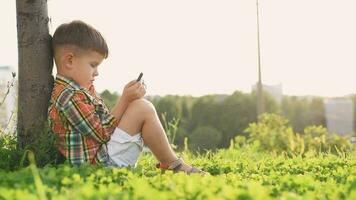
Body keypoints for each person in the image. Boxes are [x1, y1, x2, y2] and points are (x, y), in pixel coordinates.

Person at [47, 20, 203, 174]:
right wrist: (125, 99)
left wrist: (128, 99)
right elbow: (101, 133)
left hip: (102, 157)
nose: (97, 72)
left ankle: (168, 163)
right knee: (142, 108)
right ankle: (173, 165)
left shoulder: (78, 89)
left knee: (137, 106)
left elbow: (104, 122)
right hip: (100, 167)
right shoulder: (70, 96)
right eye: (93, 65)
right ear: (69, 60)